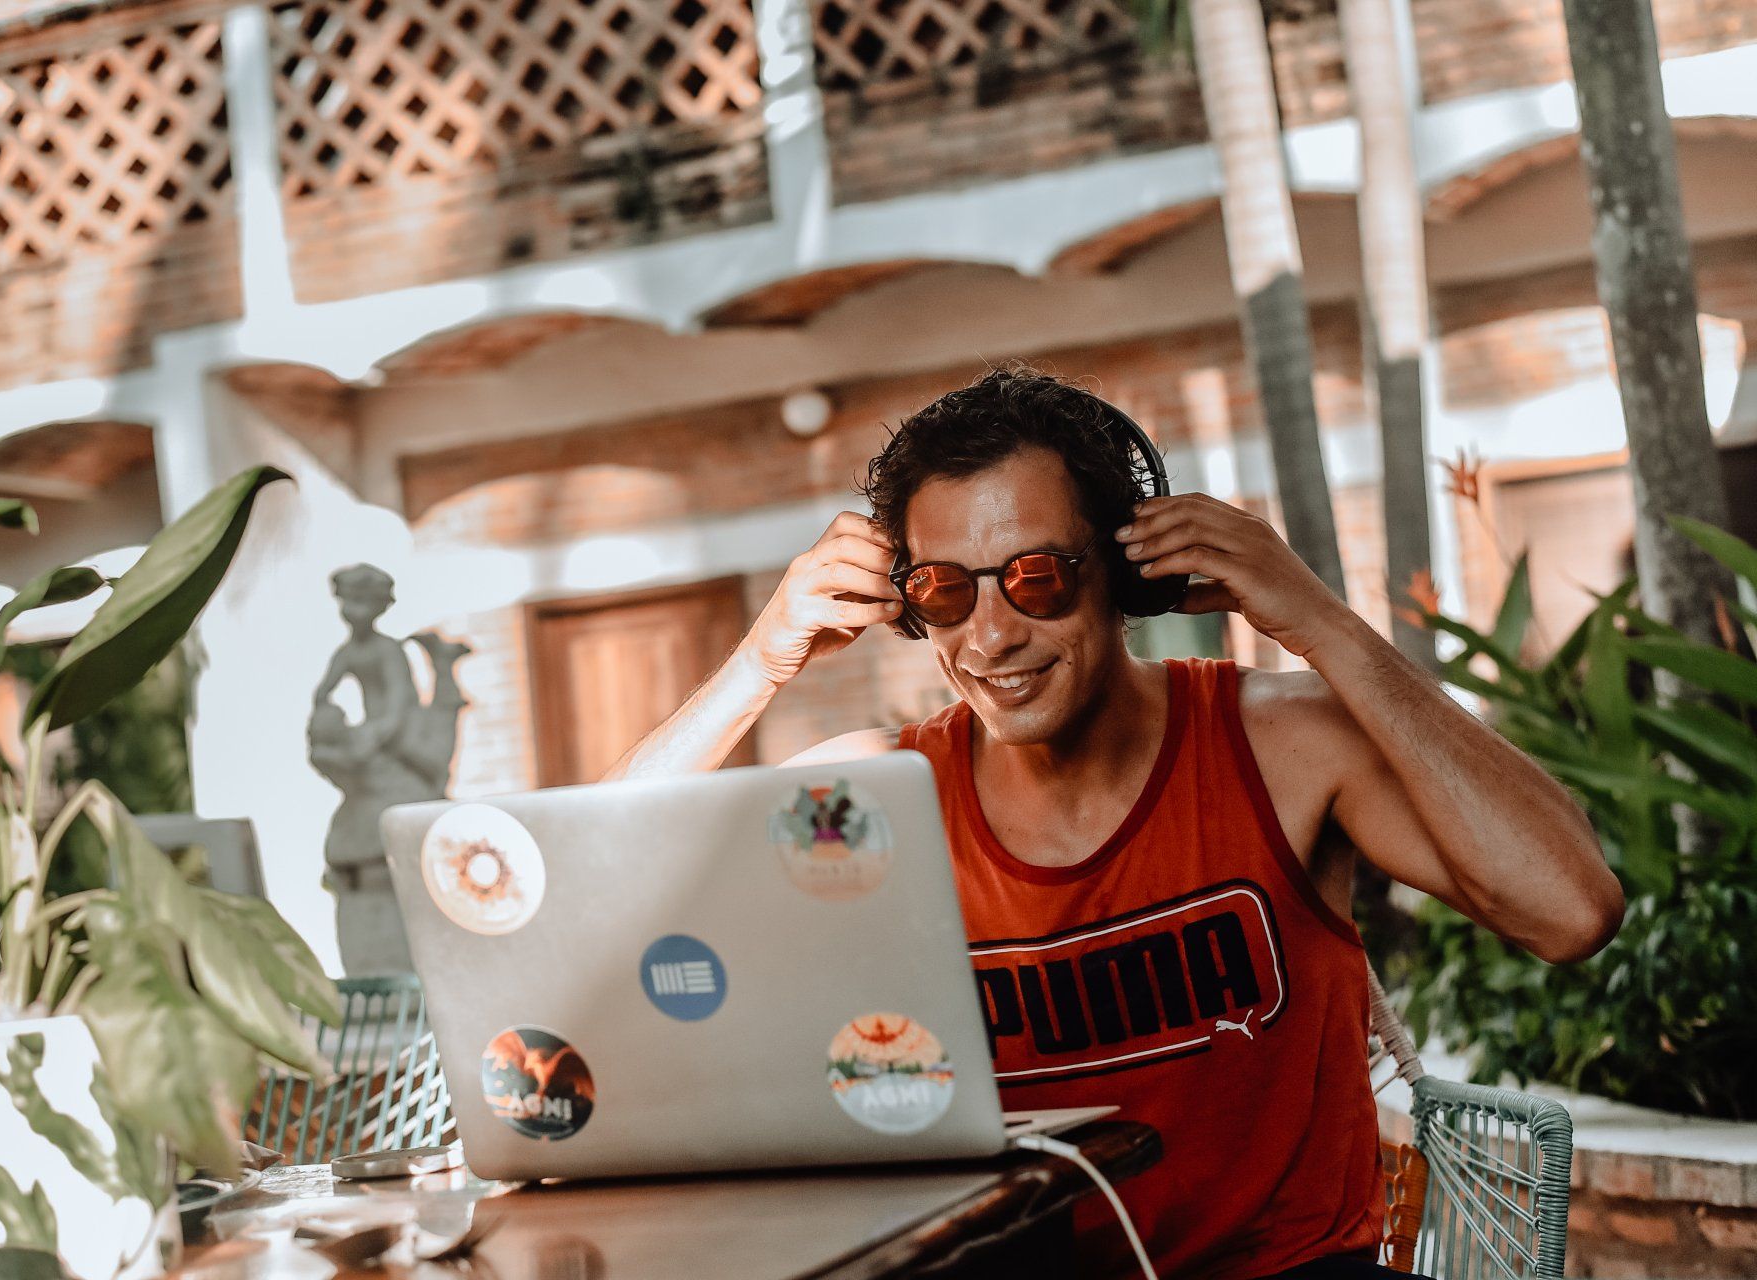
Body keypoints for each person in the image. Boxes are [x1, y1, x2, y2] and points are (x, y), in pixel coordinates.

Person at [605, 366, 1623, 1279]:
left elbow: (1571, 909)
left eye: (1036, 577)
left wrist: (1320, 622)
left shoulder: (1282, 744)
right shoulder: (879, 795)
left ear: (1125, 574)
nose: (991, 636)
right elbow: (581, 910)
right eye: (946, 592)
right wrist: (757, 665)